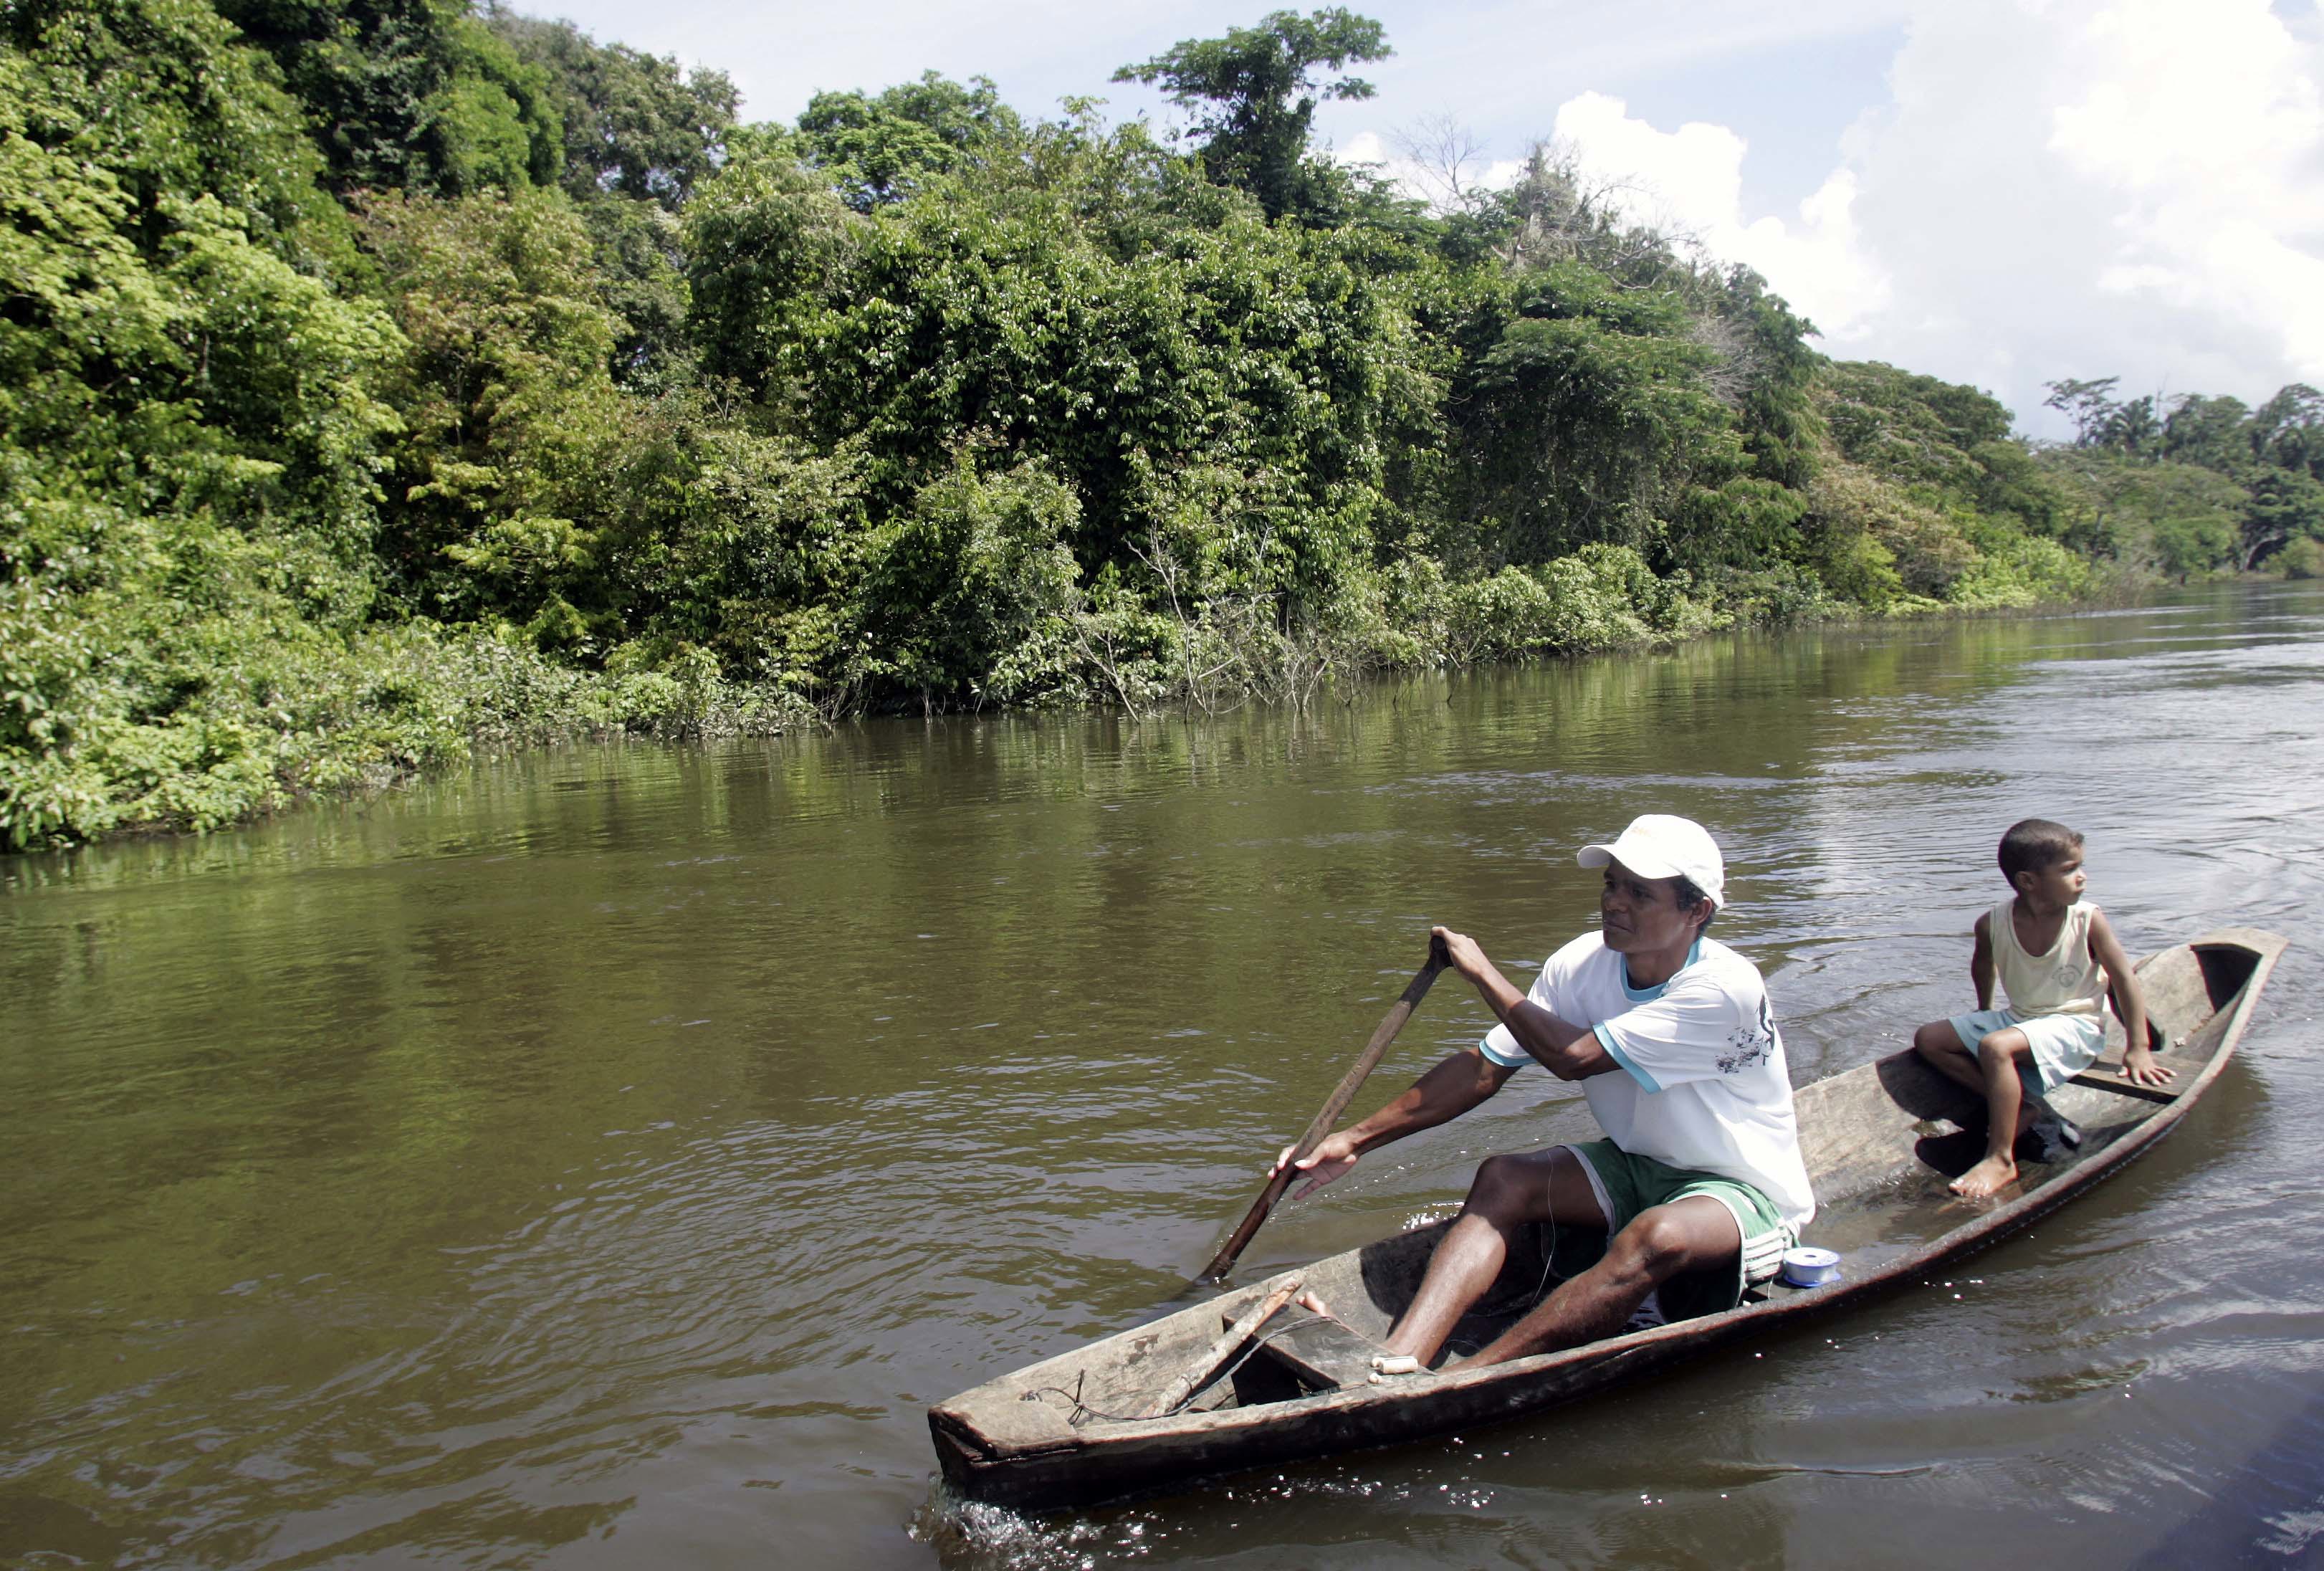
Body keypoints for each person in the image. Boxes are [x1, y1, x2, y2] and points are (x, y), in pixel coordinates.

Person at [1272, 814, 1814, 1371]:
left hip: (1738, 1192)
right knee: (1505, 1178)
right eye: (1611, 884)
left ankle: (1469, 1375)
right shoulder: (1581, 964)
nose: (1614, 903)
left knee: (1659, 1234)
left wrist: (1483, 973)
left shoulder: (1723, 989)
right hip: (1639, 1164)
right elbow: (1486, 1067)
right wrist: (1356, 1140)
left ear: (1695, 911)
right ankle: (1397, 1358)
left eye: (1638, 893)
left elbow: (1573, 1058)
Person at [1911, 818, 2166, 1199]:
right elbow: (1983, 963)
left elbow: (2124, 979)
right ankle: (2021, 1110)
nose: (2082, 877)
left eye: (2079, 867)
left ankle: (2001, 1158)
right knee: (1929, 1039)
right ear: (2028, 881)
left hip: (2076, 1025)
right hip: (2022, 1019)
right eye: (2069, 870)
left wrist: (2138, 1047)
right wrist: (1984, 1010)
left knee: (1996, 1047)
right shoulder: (1993, 923)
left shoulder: (2087, 920)